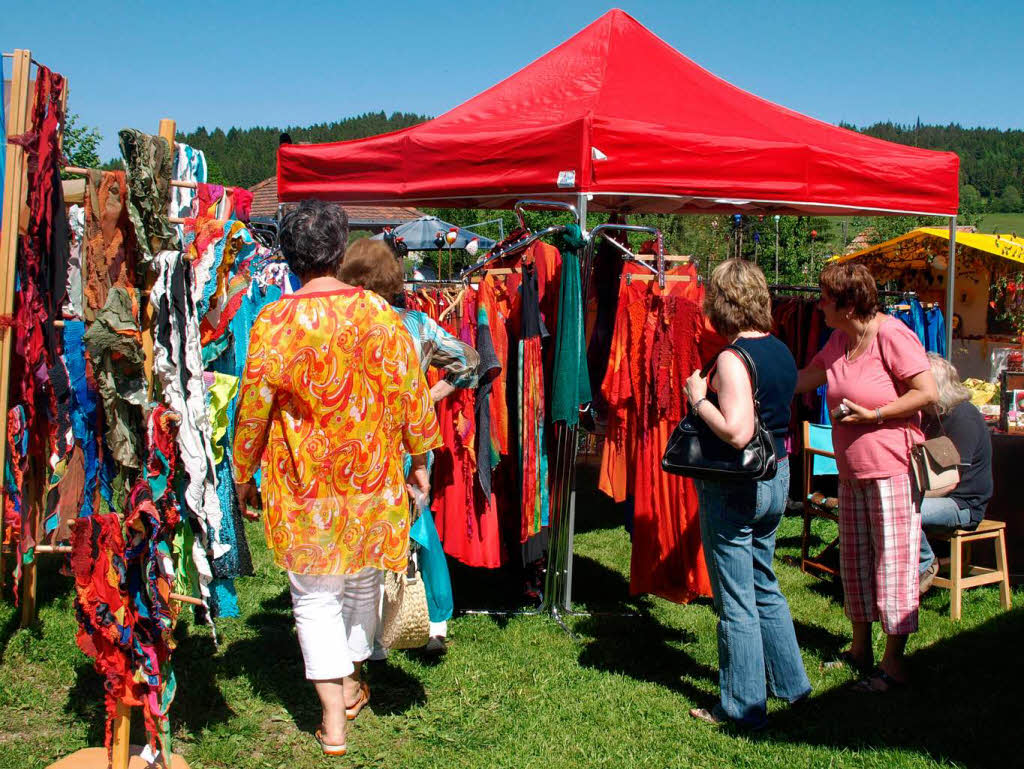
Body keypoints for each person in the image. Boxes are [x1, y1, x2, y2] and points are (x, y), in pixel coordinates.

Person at [232, 200, 442, 756]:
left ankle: (335, 713)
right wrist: (419, 459)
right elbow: (411, 394)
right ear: (338, 246)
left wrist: (243, 474)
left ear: (287, 252)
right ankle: (348, 684)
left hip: (305, 486)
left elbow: (253, 408)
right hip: (372, 480)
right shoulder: (378, 314)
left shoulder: (275, 321)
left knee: (315, 596)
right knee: (361, 581)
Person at [796, 263, 937, 693]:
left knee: (894, 565)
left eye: (824, 298)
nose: (818, 305)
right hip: (851, 472)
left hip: (892, 470)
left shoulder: (893, 335)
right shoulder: (839, 341)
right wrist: (754, 375)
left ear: (848, 303)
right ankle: (860, 649)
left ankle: (893, 665)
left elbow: (927, 392)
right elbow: (805, 380)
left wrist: (873, 414)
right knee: (854, 562)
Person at [684, 258, 810, 728]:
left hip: (739, 482)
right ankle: (792, 686)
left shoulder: (733, 359)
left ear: (723, 303)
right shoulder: (779, 350)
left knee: (735, 598)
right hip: (777, 474)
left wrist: (697, 398)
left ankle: (742, 705)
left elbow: (737, 432)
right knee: (764, 583)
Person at [340, 238, 480, 653]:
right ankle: (433, 621)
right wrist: (429, 395)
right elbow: (470, 362)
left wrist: (429, 396)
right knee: (419, 526)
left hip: (363, 446)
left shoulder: (345, 327)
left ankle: (379, 631)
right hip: (411, 441)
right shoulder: (418, 326)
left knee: (369, 533)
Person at [918, 353, 993, 594]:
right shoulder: (932, 416)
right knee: (889, 506)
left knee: (903, 511)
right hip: (940, 496)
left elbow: (950, 482)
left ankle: (926, 562)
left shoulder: (964, 417)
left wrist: (910, 496)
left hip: (963, 503)